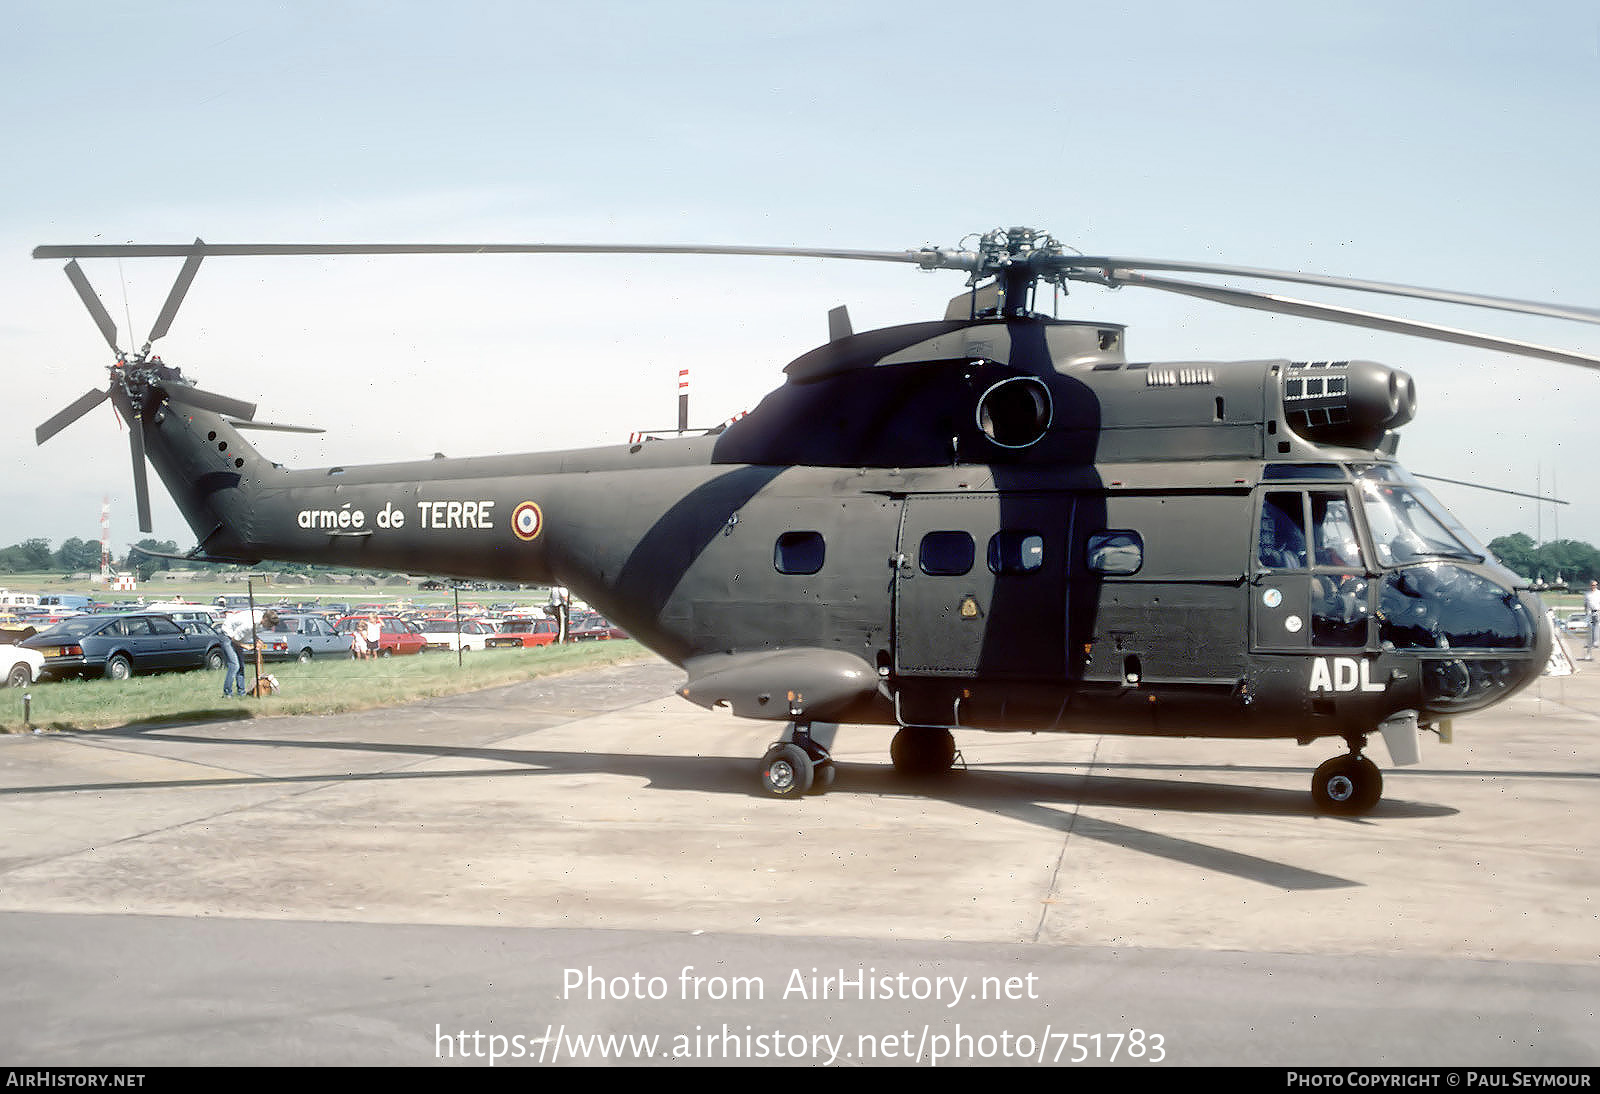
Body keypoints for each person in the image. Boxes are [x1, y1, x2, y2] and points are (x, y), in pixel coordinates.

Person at [219, 608, 279, 697]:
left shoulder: (260, 619)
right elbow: (234, 638)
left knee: (241, 666)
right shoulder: (249, 624)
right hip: (227, 636)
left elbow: (252, 632)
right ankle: (227, 693)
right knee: (234, 665)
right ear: (266, 619)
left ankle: (241, 693)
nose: (269, 627)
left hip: (237, 637)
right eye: (270, 625)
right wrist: (246, 646)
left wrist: (257, 639)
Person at [1585, 580, 1600, 661]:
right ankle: (1590, 642)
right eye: (1592, 585)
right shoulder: (1587, 594)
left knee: (1596, 626)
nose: (1593, 586)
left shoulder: (1599, 593)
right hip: (1589, 612)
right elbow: (1585, 604)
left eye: (1595, 585)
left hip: (1597, 611)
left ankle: (1596, 641)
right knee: (1590, 628)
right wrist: (1586, 612)